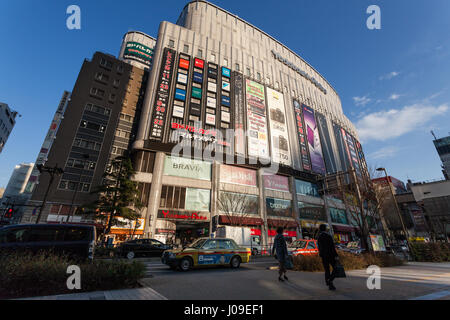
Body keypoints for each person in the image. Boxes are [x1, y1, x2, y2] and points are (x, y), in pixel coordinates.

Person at [317, 224, 339, 290]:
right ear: (325, 229)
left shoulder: (319, 237)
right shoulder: (328, 236)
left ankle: (330, 284)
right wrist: (336, 255)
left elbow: (319, 247)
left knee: (327, 270)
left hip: (324, 256)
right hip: (331, 255)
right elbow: (332, 247)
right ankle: (330, 280)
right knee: (336, 268)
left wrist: (321, 254)